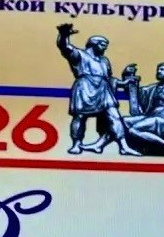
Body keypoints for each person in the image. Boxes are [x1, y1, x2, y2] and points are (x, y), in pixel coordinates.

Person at [55, 23, 138, 156]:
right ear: (93, 44)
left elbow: (109, 79)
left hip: (104, 89)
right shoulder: (79, 55)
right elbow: (64, 47)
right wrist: (64, 35)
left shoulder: (104, 61)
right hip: (85, 87)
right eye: (103, 44)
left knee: (115, 116)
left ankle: (123, 146)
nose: (105, 47)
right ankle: (76, 144)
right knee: (80, 116)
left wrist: (123, 83)